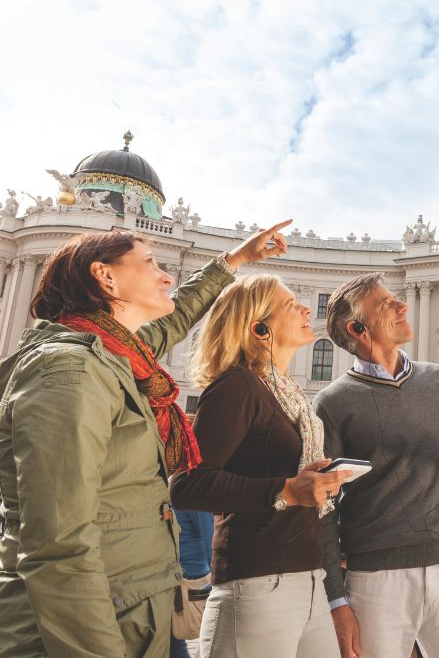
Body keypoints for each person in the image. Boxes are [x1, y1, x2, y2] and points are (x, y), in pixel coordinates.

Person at [0, 221, 290, 657]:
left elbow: (177, 317)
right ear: (106, 275)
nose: (167, 275)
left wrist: (235, 260)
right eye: (151, 263)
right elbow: (58, 545)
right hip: (85, 629)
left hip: (130, 610)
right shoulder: (68, 370)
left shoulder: (115, 351)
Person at [313, 273, 439, 658]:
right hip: (377, 580)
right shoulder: (333, 401)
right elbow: (322, 506)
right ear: (357, 329)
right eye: (386, 304)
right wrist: (335, 599)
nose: (403, 306)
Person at [170, 274, 348, 658]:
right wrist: (285, 491)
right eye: (290, 304)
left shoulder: (287, 392)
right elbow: (186, 484)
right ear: (259, 328)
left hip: (309, 577)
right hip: (256, 583)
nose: (305, 309)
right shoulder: (236, 386)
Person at [170, 510, 215, 658]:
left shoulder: (188, 493)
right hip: (172, 576)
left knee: (176, 639)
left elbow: (211, 537)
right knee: (173, 639)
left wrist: (218, 579)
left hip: (189, 579)